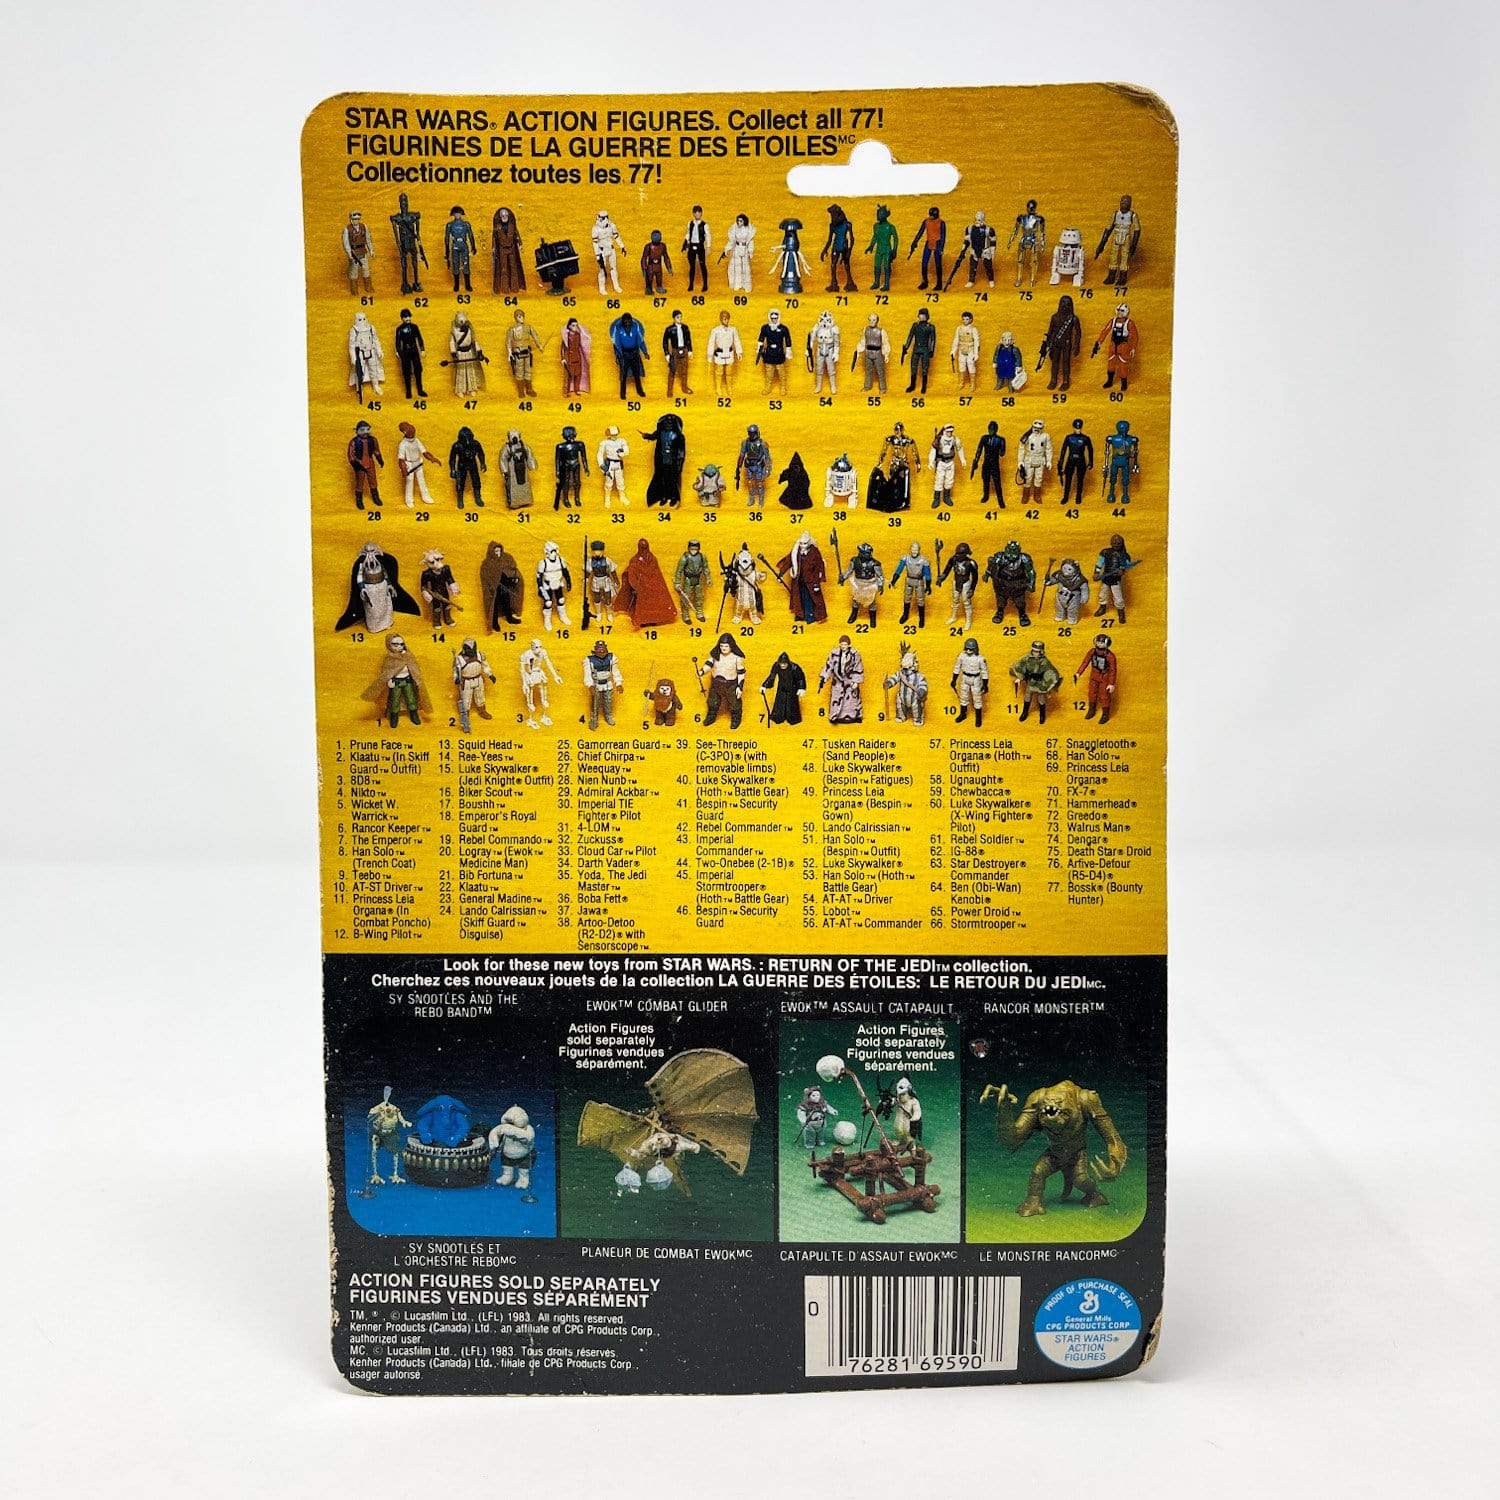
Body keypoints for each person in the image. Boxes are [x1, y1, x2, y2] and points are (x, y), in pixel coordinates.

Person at [362, 635, 430, 727]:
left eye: (401, 644)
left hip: (407, 681)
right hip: (396, 683)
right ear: (389, 645)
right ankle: (394, 717)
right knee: (394, 700)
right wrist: (389, 680)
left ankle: (414, 714)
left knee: (411, 699)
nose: (399, 647)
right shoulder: (389, 658)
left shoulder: (408, 655)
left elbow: (415, 669)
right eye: (395, 644)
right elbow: (386, 672)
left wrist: (417, 680)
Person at [700, 635, 746, 728]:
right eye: (721, 646)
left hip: (731, 685)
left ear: (731, 646)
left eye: (726, 646)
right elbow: (709, 664)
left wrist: (739, 687)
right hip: (716, 683)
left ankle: (736, 718)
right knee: (712, 702)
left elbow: (741, 673)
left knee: (734, 703)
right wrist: (702, 671)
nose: (723, 648)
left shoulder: (737, 658)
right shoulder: (715, 655)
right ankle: (711, 716)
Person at [820, 636, 865, 723]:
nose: (843, 646)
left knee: (851, 700)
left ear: (849, 645)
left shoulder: (854, 654)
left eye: (845, 644)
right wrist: (825, 677)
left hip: (850, 681)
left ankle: (854, 716)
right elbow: (829, 665)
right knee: (836, 698)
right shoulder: (834, 653)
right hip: (838, 680)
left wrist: (856, 681)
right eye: (842, 644)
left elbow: (858, 667)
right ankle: (835, 716)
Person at [1074, 633, 1118, 722]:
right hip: (1094, 675)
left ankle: (1105, 714)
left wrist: (1111, 683)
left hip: (1104, 678)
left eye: (1101, 642)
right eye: (1098, 642)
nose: (1099, 644)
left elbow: (1113, 670)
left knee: (1104, 695)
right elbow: (1085, 662)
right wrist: (1078, 673)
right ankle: (1092, 710)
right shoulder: (1092, 652)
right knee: (1092, 693)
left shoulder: (1110, 656)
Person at [609, 312, 649, 399]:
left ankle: (640, 391)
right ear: (622, 322)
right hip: (624, 355)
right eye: (625, 321)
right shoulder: (619, 330)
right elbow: (616, 345)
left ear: (631, 320)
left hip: (634, 354)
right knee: (623, 375)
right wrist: (618, 356)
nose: (627, 322)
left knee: (637, 374)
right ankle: (622, 394)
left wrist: (645, 352)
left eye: (629, 320)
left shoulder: (635, 328)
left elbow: (641, 341)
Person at [951, 638, 988, 727]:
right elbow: (957, 668)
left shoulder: (980, 659)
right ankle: (963, 714)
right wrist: (954, 680)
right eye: (967, 648)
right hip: (965, 678)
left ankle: (978, 718)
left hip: (976, 679)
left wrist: (985, 685)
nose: (968, 650)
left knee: (977, 698)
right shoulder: (961, 656)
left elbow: (984, 672)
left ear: (975, 649)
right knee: (963, 697)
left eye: (971, 649)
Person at [396, 422, 435, 507]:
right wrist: (403, 469)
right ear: (404, 432)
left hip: (418, 463)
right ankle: (409, 500)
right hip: (409, 465)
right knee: (409, 482)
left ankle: (425, 496)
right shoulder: (403, 444)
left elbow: (424, 451)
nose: (412, 435)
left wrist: (432, 458)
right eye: (410, 433)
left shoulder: (416, 440)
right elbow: (401, 459)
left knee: (422, 481)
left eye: (413, 433)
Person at [347, 421, 383, 510]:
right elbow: (351, 455)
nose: (365, 432)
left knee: (373, 480)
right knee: (360, 482)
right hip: (359, 463)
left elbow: (376, 451)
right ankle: (359, 499)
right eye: (362, 430)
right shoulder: (354, 442)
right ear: (357, 431)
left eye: (367, 429)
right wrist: (356, 465)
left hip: (370, 462)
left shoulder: (373, 440)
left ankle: (375, 496)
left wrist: (380, 460)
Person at [762, 652, 807, 724]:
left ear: (788, 663)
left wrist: (801, 688)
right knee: (780, 702)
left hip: (792, 687)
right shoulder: (776, 666)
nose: (782, 665)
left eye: (784, 664)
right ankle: (779, 717)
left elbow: (800, 678)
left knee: (791, 704)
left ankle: (792, 718)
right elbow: (772, 676)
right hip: (781, 687)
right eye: (781, 663)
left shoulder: (794, 667)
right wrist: (764, 685)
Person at [448, 426, 486, 508]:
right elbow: (452, 459)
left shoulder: (475, 444)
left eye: (469, 438)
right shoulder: (457, 445)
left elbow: (481, 453)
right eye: (465, 439)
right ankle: (460, 499)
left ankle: (478, 497)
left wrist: (483, 463)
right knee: (460, 482)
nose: (467, 441)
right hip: (462, 465)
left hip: (472, 464)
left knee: (476, 481)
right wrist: (452, 469)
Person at [393, 308, 426, 398]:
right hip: (405, 352)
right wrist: (398, 351)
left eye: (408, 316)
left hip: (414, 350)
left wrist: (422, 349)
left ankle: (420, 390)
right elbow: (397, 342)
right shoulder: (399, 329)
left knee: (418, 370)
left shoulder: (414, 327)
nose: (407, 318)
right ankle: (408, 392)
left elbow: (419, 338)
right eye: (405, 317)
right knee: (406, 372)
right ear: (402, 318)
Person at [342, 210, 374, 294]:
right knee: (354, 272)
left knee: (366, 270)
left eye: (358, 219)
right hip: (354, 253)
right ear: (351, 220)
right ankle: (354, 290)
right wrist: (349, 254)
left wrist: (371, 250)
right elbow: (346, 243)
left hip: (363, 252)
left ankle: (368, 287)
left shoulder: (364, 227)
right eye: (354, 219)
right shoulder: (347, 229)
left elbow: (368, 239)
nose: (356, 221)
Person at [662, 310, 693, 395]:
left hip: (684, 350)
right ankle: (670, 390)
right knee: (672, 370)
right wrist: (667, 353)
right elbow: (665, 342)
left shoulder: (685, 328)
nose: (680, 319)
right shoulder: (669, 329)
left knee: (684, 370)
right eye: (677, 317)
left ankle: (684, 387)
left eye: (680, 317)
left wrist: (690, 350)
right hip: (675, 351)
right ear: (674, 318)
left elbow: (688, 340)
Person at [682, 206, 711, 290]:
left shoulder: (704, 225)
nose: (697, 214)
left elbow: (708, 235)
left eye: (699, 213)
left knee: (702, 265)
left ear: (701, 213)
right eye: (696, 213)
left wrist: (708, 246)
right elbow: (688, 234)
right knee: (692, 266)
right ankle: (691, 284)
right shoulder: (690, 223)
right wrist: (686, 244)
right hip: (692, 246)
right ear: (693, 214)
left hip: (700, 246)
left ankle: (705, 284)